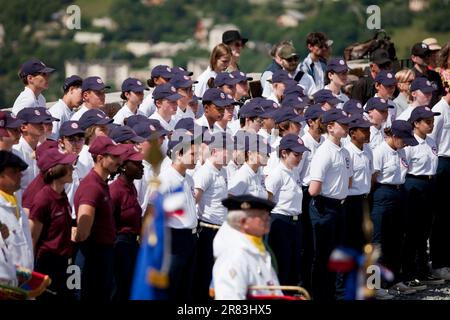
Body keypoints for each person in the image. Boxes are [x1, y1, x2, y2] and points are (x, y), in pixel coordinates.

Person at [74, 136, 128, 301]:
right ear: (100, 158)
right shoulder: (92, 187)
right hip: (93, 257)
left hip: (101, 255)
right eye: (114, 157)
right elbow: (83, 232)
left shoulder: (100, 184)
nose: (119, 161)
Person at [308, 108, 353, 301]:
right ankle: (321, 295)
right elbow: (313, 189)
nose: (347, 127)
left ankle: (333, 292)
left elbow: (349, 180)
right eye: (343, 124)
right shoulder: (324, 152)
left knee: (336, 254)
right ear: (331, 128)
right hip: (324, 206)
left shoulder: (344, 151)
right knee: (323, 256)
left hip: (339, 205)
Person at [371, 120, 419, 294]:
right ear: (395, 136)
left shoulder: (402, 151)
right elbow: (373, 179)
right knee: (378, 243)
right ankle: (374, 285)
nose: (406, 143)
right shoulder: (380, 152)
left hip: (400, 193)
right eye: (404, 139)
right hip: (383, 193)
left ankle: (392, 281)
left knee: (396, 241)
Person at [402, 106, 445, 287]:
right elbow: (405, 168)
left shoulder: (431, 142)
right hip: (414, 184)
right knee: (412, 231)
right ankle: (409, 273)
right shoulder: (409, 144)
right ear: (416, 123)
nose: (431, 125)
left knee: (425, 230)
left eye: (432, 121)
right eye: (427, 122)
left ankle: (423, 271)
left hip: (429, 184)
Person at [29, 148, 77, 300]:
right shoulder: (43, 199)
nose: (72, 169)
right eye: (66, 166)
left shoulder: (62, 196)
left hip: (62, 263)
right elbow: (32, 238)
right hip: (46, 264)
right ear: (53, 171)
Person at [212, 194, 280, 300]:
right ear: (243, 222)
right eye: (262, 215)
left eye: (267, 214)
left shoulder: (256, 249)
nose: (268, 218)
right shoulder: (234, 256)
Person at [158, 134, 199, 301]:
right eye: (193, 154)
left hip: (190, 237)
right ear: (178, 155)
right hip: (174, 238)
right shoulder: (165, 179)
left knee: (186, 287)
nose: (197, 159)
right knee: (171, 286)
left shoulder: (188, 178)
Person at [193, 132, 233, 301]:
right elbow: (195, 199)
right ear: (215, 150)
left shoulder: (222, 171)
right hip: (208, 229)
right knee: (205, 273)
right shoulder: (205, 172)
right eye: (227, 151)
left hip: (220, 229)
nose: (230, 155)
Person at [266, 134, 309, 287]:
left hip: (295, 222)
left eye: (301, 155)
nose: (299, 158)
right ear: (284, 153)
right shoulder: (277, 174)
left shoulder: (294, 172)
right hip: (280, 221)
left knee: (294, 264)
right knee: (282, 264)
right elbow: (267, 199)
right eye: (296, 155)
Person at [297, 104, 326, 292]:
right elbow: (297, 174)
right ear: (310, 122)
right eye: (321, 120)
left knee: (320, 245)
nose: (325, 123)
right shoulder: (303, 142)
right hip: (306, 193)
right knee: (307, 245)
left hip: (321, 193)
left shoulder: (324, 141)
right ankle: (305, 287)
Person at [109, 144, 144, 301]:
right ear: (123, 166)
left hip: (131, 245)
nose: (141, 167)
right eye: (137, 164)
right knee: (118, 290)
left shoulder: (132, 188)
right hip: (119, 245)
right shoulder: (115, 191)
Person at [429, 87, 450, 280]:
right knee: (441, 215)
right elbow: (431, 141)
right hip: (442, 162)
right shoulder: (440, 109)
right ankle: (439, 262)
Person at [343, 116, 373, 252]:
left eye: (368, 130)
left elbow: (371, 174)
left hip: (365, 199)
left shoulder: (368, 150)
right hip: (351, 200)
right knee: (350, 239)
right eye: (364, 130)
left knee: (365, 239)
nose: (368, 133)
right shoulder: (347, 152)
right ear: (352, 133)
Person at [0, 151, 34, 272]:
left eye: (20, 171)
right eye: (14, 172)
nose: (20, 175)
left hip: (22, 281)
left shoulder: (15, 203)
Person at [13, 108, 48, 192]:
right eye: (36, 122)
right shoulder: (16, 152)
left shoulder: (44, 149)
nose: (42, 125)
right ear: (23, 127)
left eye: (42, 122)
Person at [228, 133, 270, 199]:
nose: (267, 156)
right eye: (263, 153)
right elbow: (230, 201)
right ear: (250, 154)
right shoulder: (243, 175)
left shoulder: (258, 172)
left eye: (267, 153)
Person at [77, 109, 113, 180]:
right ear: (90, 131)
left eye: (106, 128)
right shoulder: (84, 155)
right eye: (102, 129)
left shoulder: (98, 152)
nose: (106, 131)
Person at [48, 75, 83, 140]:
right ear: (71, 89)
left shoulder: (70, 111)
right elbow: (51, 141)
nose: (83, 98)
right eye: (81, 94)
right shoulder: (58, 112)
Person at [410, 42, 445, 108]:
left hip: (436, 114)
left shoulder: (435, 75)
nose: (426, 58)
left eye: (428, 55)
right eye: (423, 55)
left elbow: (441, 95)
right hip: (419, 115)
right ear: (413, 58)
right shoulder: (410, 77)